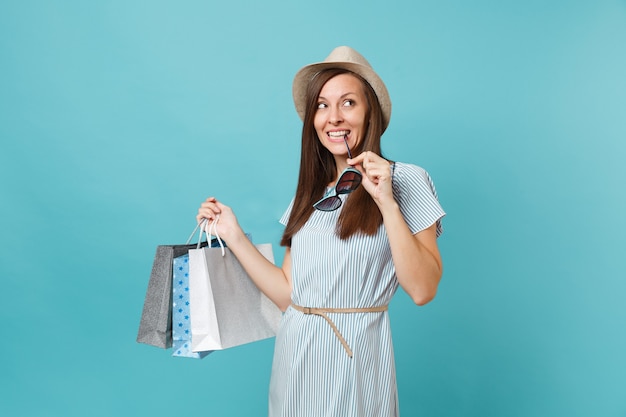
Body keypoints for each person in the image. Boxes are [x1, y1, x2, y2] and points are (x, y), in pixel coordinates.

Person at [197, 46, 445, 417]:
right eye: (322, 106)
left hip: (356, 352)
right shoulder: (312, 193)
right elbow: (289, 294)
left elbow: (423, 290)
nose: (333, 118)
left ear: (369, 112)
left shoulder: (406, 179)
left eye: (348, 103)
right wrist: (231, 234)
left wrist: (387, 203)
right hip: (295, 352)